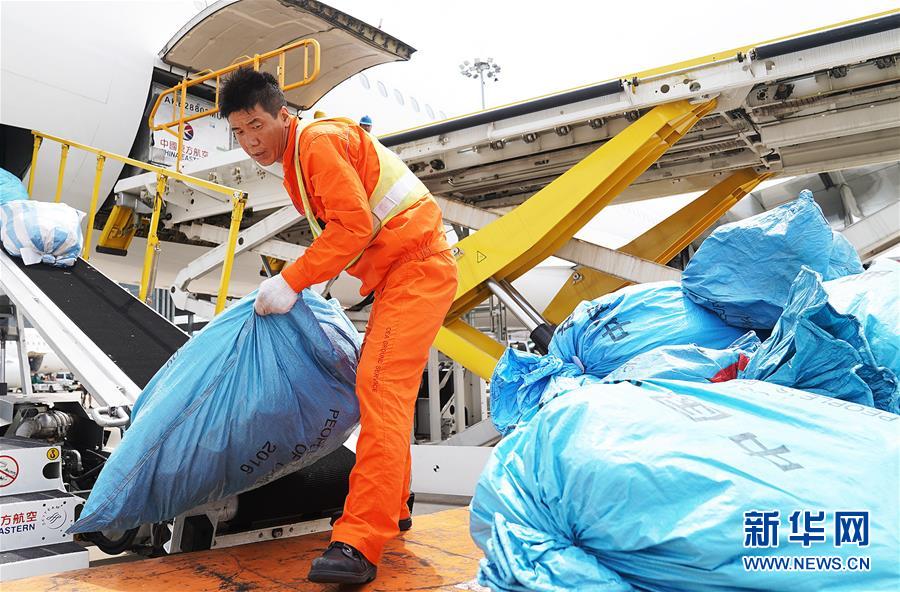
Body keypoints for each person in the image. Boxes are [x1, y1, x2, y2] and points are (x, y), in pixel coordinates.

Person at [220, 68, 458, 584]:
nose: (249, 141)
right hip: (402, 274)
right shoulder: (298, 158)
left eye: (256, 125)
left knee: (380, 391)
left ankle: (358, 542)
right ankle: (393, 507)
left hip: (415, 269)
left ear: (283, 115)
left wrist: (292, 281)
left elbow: (352, 227)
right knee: (383, 394)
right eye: (238, 131)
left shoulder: (316, 145)